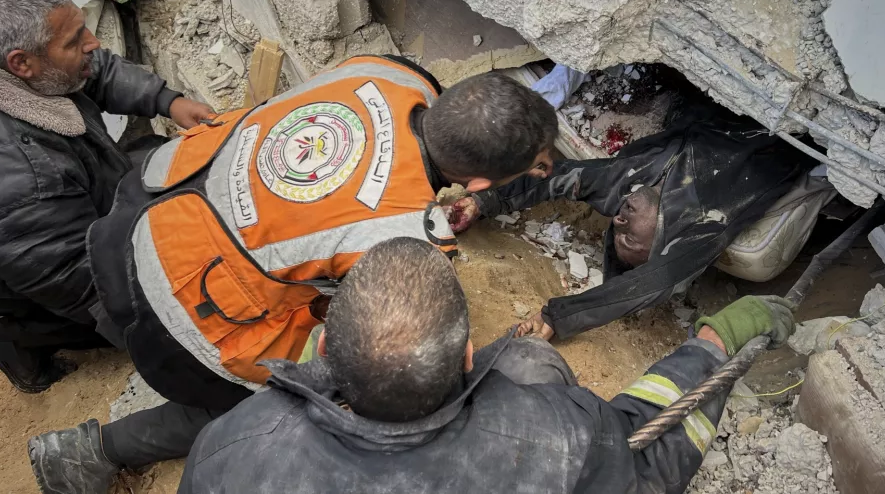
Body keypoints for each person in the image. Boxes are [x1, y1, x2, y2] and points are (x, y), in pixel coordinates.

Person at [28, 58, 559, 493]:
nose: (541, 169)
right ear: (481, 182)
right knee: (301, 382)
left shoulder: (395, 74)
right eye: (534, 164)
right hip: (166, 291)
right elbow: (366, 342)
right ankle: (89, 452)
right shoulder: (412, 240)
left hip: (150, 192)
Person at [176, 237, 795, 494]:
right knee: (530, 361)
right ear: (469, 355)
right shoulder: (555, 438)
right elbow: (647, 461)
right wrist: (715, 343)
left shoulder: (229, 448)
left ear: (322, 351)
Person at [0, 0, 212, 393]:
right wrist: (184, 338)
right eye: (73, 40)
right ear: (20, 63)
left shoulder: (15, 63)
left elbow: (91, 70)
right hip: (33, 289)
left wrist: (168, 101)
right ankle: (15, 354)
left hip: (67, 197)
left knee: (162, 164)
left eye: (83, 29)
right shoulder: (12, 181)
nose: (92, 43)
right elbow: (86, 285)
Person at [449, 89, 819, 341]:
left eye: (617, 229)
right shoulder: (702, 226)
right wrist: (557, 319)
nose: (620, 220)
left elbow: (554, 180)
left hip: (716, 105)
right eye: (629, 238)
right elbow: (651, 283)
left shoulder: (624, 189)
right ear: (665, 246)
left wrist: (485, 202)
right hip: (774, 126)